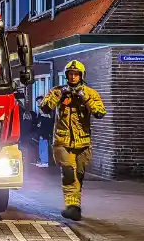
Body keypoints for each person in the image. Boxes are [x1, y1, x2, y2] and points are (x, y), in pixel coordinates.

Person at [40, 60, 105, 221]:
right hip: (62, 141)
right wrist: (60, 95)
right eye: (70, 74)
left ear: (82, 75)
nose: (73, 77)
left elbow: (100, 112)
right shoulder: (57, 91)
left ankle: (75, 206)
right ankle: (71, 206)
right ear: (66, 75)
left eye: (76, 74)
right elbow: (45, 108)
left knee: (79, 175)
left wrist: (85, 99)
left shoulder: (90, 93)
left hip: (83, 143)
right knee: (69, 171)